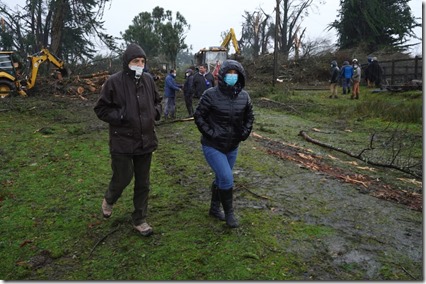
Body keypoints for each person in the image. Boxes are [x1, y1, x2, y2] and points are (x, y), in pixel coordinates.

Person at [93, 43, 162, 237]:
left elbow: (158, 101)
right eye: (135, 61)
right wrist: (121, 116)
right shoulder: (114, 82)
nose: (139, 64)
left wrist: (154, 113)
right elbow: (100, 109)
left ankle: (139, 219)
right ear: (127, 62)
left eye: (142, 61)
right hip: (122, 141)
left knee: (143, 182)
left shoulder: (148, 80)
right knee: (123, 176)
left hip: (145, 140)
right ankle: (109, 199)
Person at [193, 59, 254, 228]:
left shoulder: (244, 96)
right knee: (227, 179)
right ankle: (230, 214)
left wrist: (244, 132)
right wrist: (211, 133)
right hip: (213, 146)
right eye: (229, 73)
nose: (232, 77)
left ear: (240, 76)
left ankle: (214, 208)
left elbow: (249, 117)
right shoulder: (210, 94)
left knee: (221, 177)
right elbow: (199, 116)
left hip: (232, 146)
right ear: (222, 75)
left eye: (236, 74)